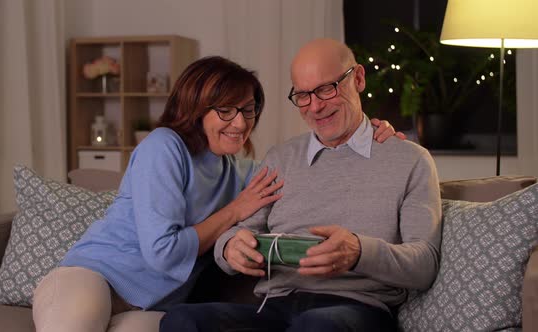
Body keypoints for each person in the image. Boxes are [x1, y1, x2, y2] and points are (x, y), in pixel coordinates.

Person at [32, 55, 399, 332]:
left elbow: (307, 176)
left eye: (248, 110)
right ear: (195, 108)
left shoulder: (238, 172)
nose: (240, 123)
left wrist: (369, 133)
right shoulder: (164, 147)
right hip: (96, 278)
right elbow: (163, 253)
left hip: (149, 307)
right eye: (225, 110)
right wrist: (234, 211)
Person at [160, 39, 441, 332]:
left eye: (326, 89)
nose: (315, 106)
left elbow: (424, 264)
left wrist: (358, 252)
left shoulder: (409, 159)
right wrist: (230, 247)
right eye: (304, 95)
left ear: (358, 78)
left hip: (358, 307)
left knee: (315, 326)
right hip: (275, 306)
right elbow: (243, 229)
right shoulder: (280, 158)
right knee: (181, 319)